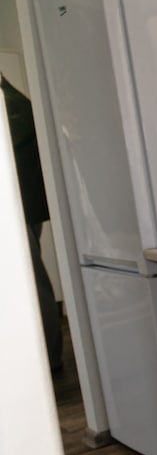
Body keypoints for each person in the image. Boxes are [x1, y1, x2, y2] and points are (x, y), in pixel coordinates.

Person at [3, 73, 63, 371]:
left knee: (32, 283)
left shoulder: (11, 106)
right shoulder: (16, 103)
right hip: (23, 210)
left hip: (18, 212)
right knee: (33, 280)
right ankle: (47, 359)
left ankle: (48, 360)